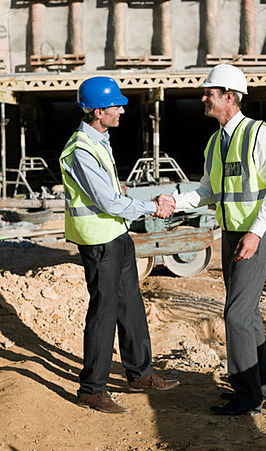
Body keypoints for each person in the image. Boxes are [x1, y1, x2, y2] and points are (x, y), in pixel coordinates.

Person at [158, 64, 266, 415]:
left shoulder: (259, 135)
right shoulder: (216, 142)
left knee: (235, 316)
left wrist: (255, 233)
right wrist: (175, 200)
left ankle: (247, 396)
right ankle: (261, 385)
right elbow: (206, 191)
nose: (203, 98)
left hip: (253, 236)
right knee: (246, 314)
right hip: (231, 234)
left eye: (209, 94)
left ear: (228, 97)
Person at [59, 76, 179, 414]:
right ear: (98, 111)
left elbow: (114, 192)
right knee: (104, 312)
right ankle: (92, 390)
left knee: (130, 305)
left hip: (116, 235)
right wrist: (151, 207)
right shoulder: (80, 150)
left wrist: (139, 203)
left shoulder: (100, 141)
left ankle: (140, 373)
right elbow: (108, 202)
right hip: (98, 241)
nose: (122, 110)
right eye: (117, 105)